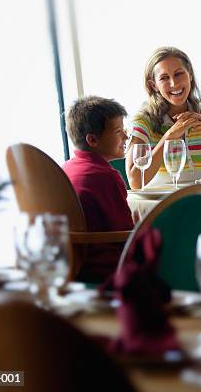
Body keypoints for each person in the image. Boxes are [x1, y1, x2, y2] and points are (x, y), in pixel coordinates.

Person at [126, 47, 201, 189]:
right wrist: (170, 135)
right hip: (160, 207)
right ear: (154, 85)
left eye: (178, 74)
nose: (174, 83)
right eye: (164, 78)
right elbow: (135, 181)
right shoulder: (142, 120)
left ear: (190, 75)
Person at [63, 96, 135, 282]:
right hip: (105, 268)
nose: (126, 137)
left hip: (74, 265)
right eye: (119, 131)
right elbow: (126, 235)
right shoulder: (105, 176)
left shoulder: (66, 169)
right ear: (93, 139)